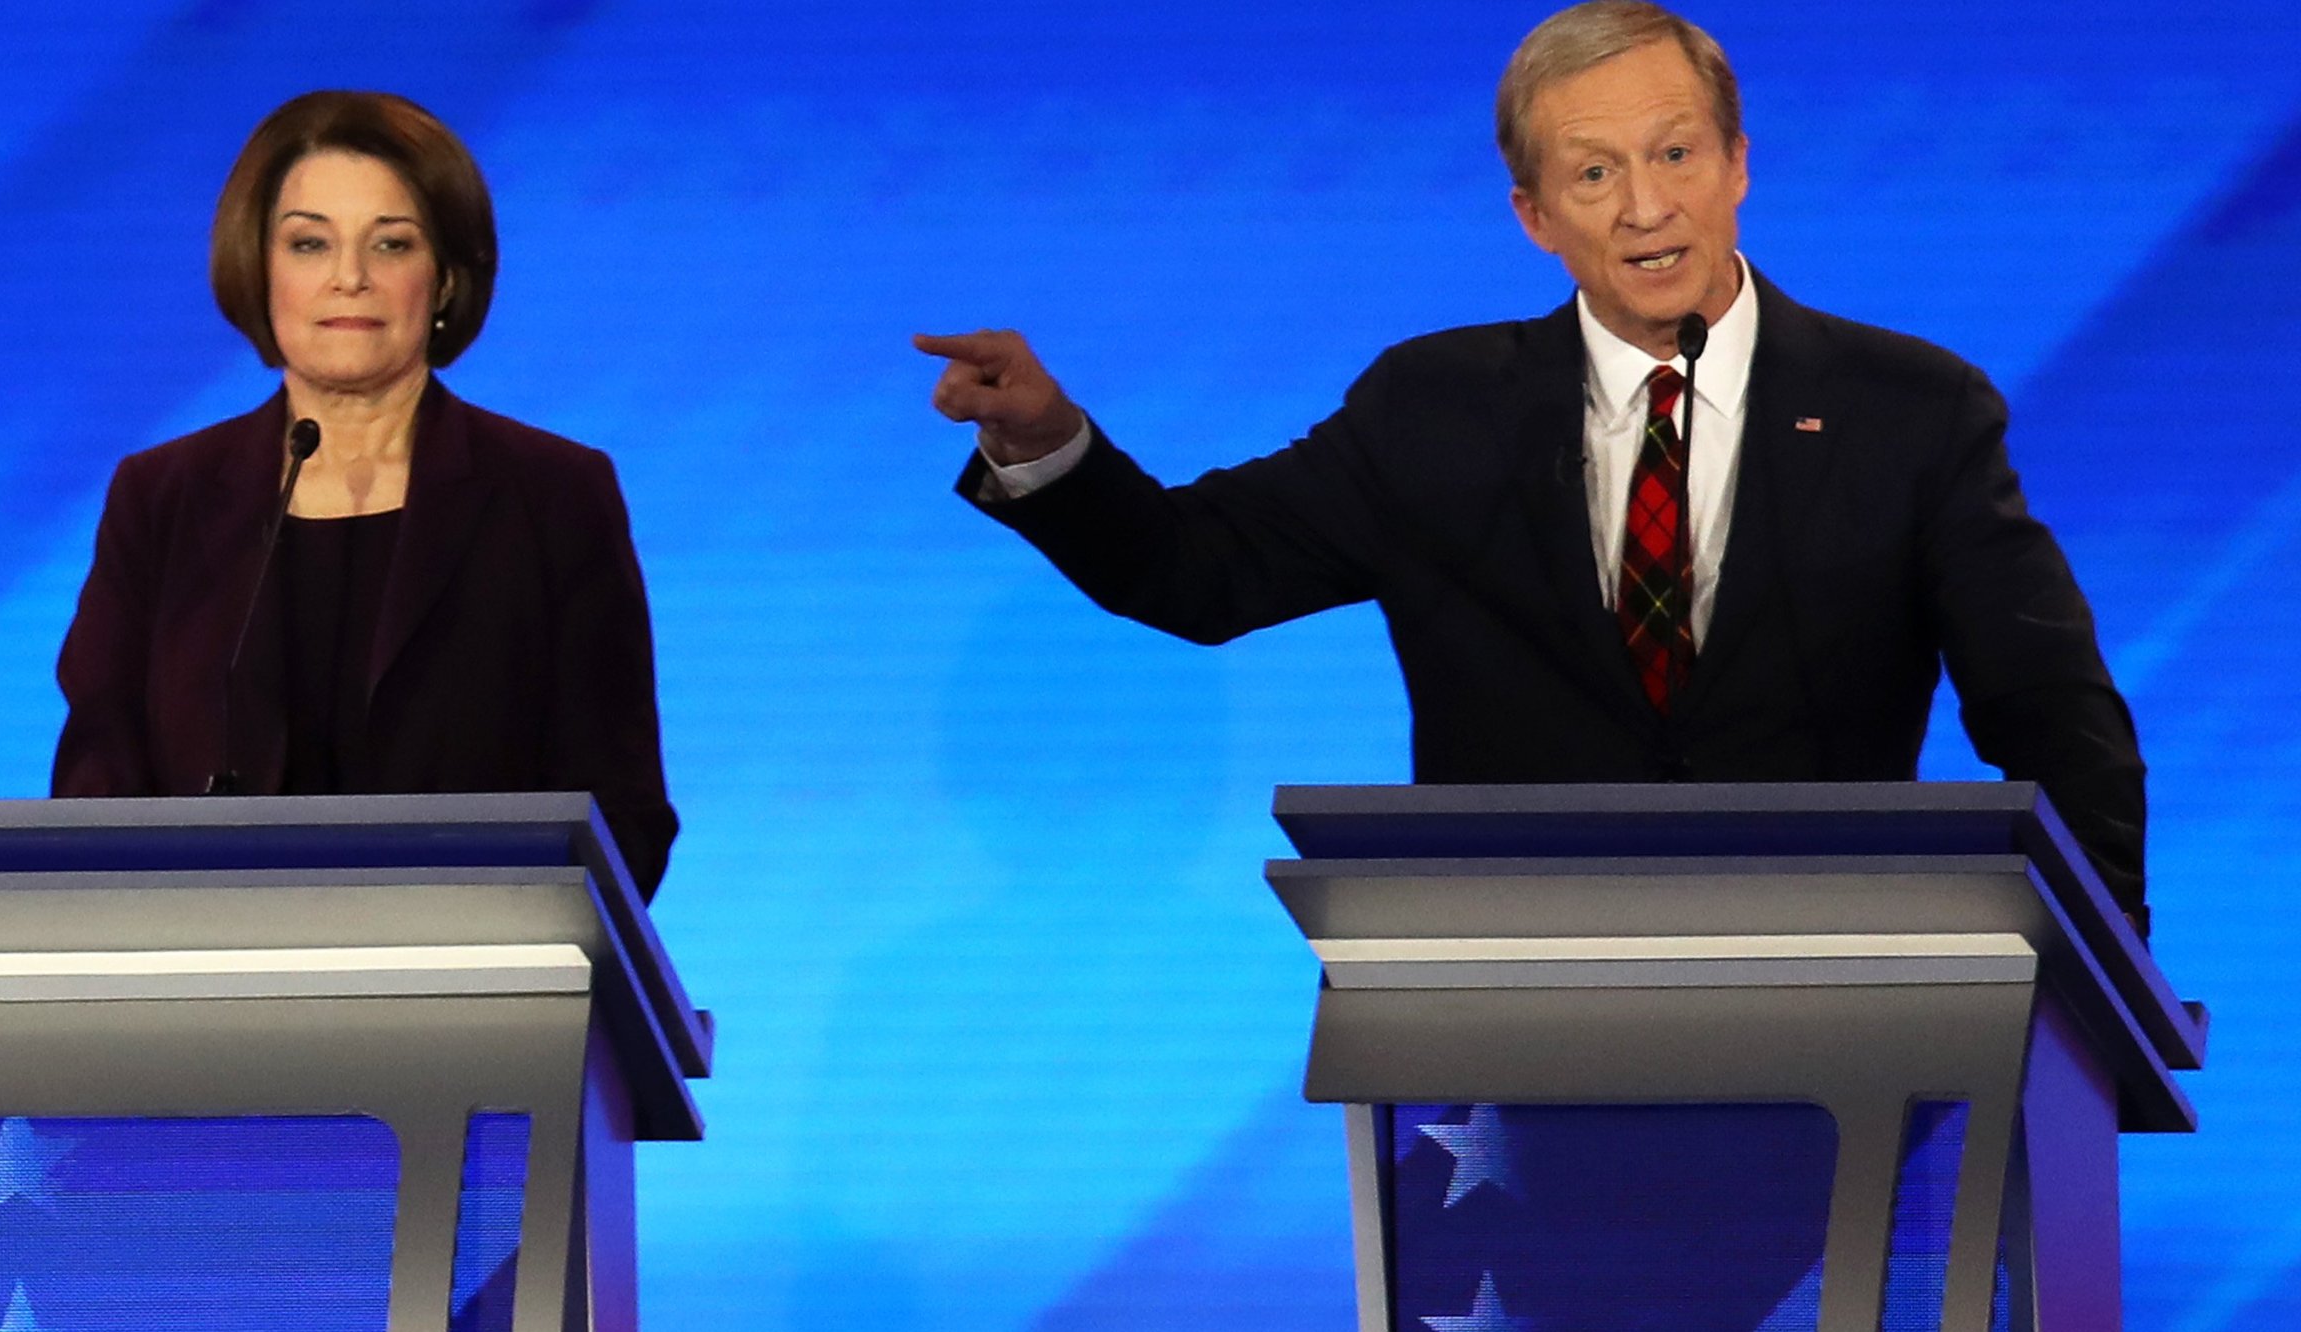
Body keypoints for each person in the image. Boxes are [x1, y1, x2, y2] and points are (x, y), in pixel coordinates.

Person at [913, 1, 2149, 931]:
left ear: (1737, 165)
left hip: (1845, 996)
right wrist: (1047, 446)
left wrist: (2098, 995)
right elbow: (1196, 574)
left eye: (1673, 155)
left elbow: (2051, 715)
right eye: (1593, 172)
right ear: (1534, 215)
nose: (1643, 207)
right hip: (1509, 1009)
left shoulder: (1909, 410)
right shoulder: (1433, 409)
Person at [53, 91, 677, 897]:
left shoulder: (554, 495)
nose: (349, 278)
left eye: (391, 245)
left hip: (474, 996)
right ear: (258, 267)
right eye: (310, 244)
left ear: (446, 279)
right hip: (211, 997)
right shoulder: (160, 499)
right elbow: (95, 790)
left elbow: (622, 808)